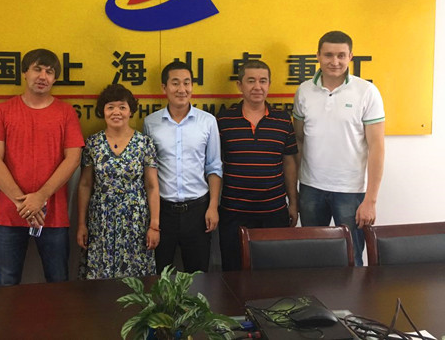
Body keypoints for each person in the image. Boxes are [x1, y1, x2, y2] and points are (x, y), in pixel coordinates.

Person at [0, 49, 84, 285]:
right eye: (37, 69)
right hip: (10, 214)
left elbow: (73, 159)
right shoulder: (2, 111)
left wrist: (41, 196)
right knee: (6, 283)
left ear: (55, 78)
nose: (43, 76)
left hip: (53, 214)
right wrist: (23, 203)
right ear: (24, 73)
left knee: (58, 281)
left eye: (49, 72)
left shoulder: (66, 112)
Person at [293, 31, 385, 266]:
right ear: (318, 56)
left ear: (350, 56)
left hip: (350, 191)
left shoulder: (367, 92)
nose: (335, 61)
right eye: (328, 55)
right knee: (313, 258)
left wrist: (371, 200)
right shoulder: (304, 91)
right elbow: (299, 140)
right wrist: (295, 188)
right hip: (311, 188)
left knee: (352, 259)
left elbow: (377, 147)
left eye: (341, 55)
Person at [216, 60, 298, 271]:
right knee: (233, 271)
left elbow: (289, 163)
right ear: (239, 85)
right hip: (233, 211)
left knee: (273, 272)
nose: (257, 87)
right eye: (251, 81)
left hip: (274, 210)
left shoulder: (283, 121)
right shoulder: (224, 120)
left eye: (263, 81)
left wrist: (293, 203)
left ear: (269, 84)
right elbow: (214, 165)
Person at [143, 61, 222, 273]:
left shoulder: (207, 122)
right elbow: (149, 172)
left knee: (199, 276)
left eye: (187, 83)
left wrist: (213, 206)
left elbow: (214, 167)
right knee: (160, 277)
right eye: (175, 83)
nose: (182, 89)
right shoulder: (151, 123)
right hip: (163, 211)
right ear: (164, 87)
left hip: (198, 211)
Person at [77, 84, 160, 279]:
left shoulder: (144, 143)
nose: (116, 112)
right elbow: (85, 185)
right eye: (110, 107)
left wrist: (154, 225)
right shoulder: (93, 143)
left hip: (136, 220)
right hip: (101, 219)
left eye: (122, 107)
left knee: (136, 278)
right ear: (103, 111)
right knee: (100, 277)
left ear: (130, 111)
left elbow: (152, 186)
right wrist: (81, 223)